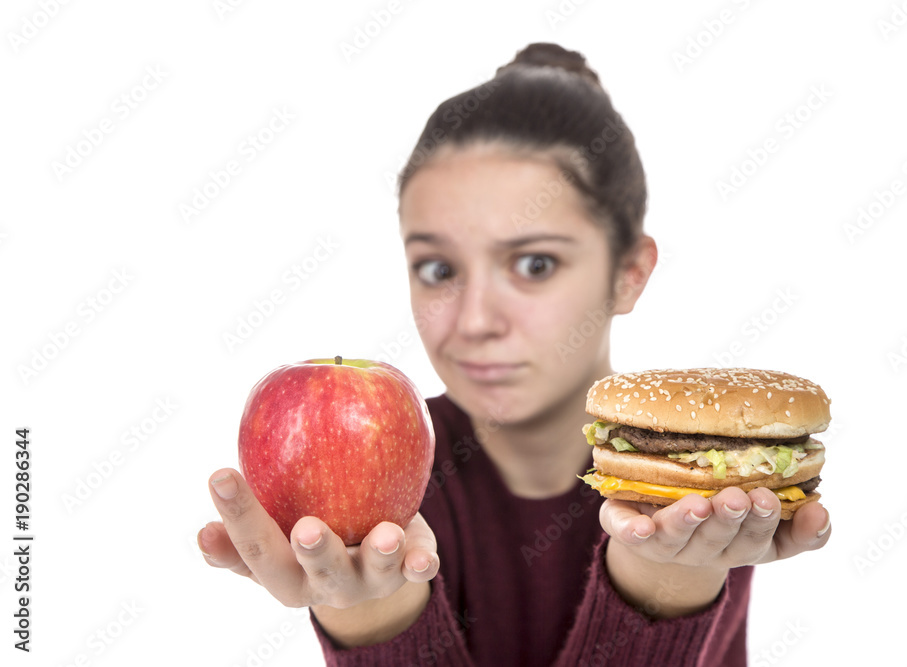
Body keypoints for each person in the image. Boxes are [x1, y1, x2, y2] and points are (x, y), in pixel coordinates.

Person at [197, 43, 832, 666]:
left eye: (534, 264)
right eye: (439, 267)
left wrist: (660, 581)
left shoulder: (701, 493)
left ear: (628, 274)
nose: (474, 320)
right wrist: (368, 618)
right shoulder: (378, 494)